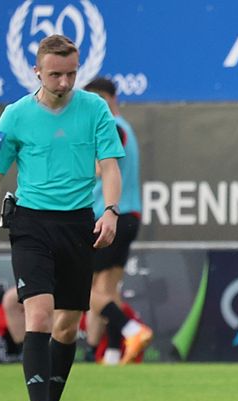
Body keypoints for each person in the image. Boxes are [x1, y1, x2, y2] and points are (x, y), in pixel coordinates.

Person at [0, 35, 124, 401]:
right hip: (30, 224)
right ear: (37, 72)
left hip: (78, 224)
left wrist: (110, 211)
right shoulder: (15, 115)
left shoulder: (94, 109)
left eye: (71, 74)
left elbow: (110, 166)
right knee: (39, 315)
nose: (64, 82)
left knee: (67, 326)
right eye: (55, 74)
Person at [83, 77, 152, 365]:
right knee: (108, 291)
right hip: (128, 215)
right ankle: (111, 354)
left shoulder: (112, 126)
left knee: (81, 288)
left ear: (108, 98)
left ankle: (132, 329)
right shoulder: (126, 128)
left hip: (112, 216)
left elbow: (100, 169)